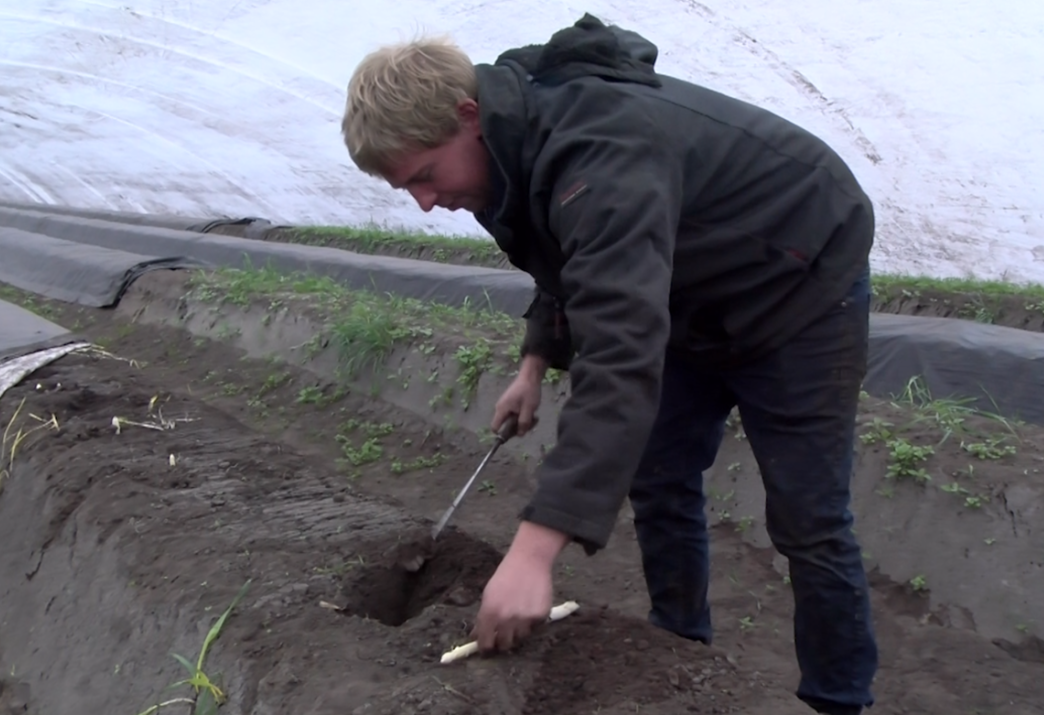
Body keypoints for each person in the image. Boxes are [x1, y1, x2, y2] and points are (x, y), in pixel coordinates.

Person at [341, 14, 878, 715]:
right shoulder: (503, 151)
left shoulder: (600, 151)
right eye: (405, 188)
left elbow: (621, 352)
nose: (425, 201)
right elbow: (566, 258)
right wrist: (535, 361)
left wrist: (533, 552)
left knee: (808, 517)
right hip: (690, 289)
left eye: (424, 175)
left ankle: (837, 701)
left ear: (466, 115)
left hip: (797, 282)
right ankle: (680, 652)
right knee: (659, 478)